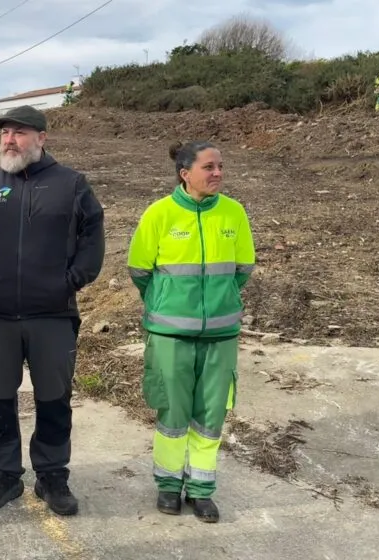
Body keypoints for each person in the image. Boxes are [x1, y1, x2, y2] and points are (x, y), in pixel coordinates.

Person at [0, 105, 105, 516]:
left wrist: (70, 281)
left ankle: (52, 476)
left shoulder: (70, 184)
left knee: (54, 399)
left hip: (52, 316)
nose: (9, 140)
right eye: (5, 133)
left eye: (19, 132)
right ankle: (4, 475)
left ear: (41, 138)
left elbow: (93, 235)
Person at [127, 140, 255, 522]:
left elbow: (243, 269)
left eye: (220, 166)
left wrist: (221, 302)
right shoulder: (159, 214)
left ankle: (201, 490)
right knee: (172, 414)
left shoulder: (234, 213)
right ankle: (168, 486)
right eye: (209, 167)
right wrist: (167, 305)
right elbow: (139, 270)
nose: (217, 173)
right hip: (170, 335)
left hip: (221, 335)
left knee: (210, 417)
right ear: (185, 174)